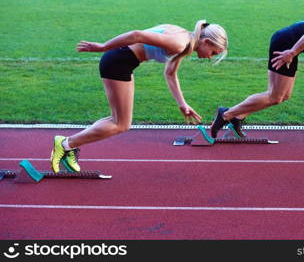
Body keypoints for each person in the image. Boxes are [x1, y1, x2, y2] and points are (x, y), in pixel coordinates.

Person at [50, 20, 228, 173]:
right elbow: (137, 35)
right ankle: (66, 144)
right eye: (213, 53)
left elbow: (170, 73)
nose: (210, 58)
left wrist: (182, 103)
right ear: (205, 41)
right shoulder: (179, 43)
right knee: (120, 124)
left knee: (117, 120)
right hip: (118, 61)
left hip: (122, 62)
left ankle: (69, 145)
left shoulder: (185, 39)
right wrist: (103, 46)